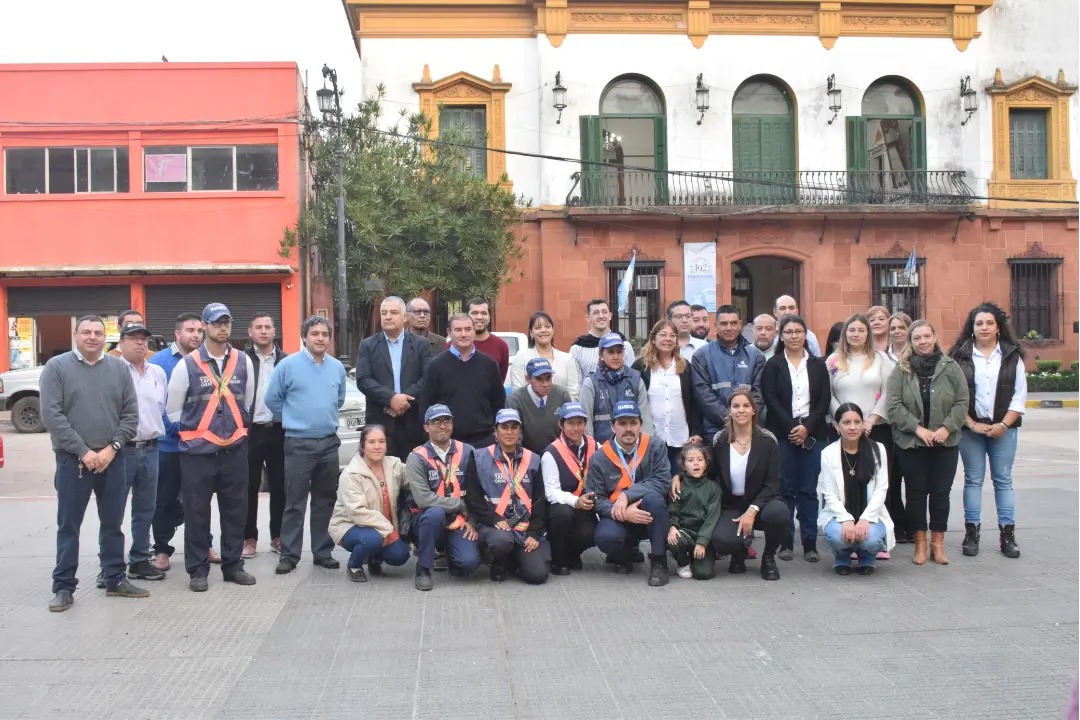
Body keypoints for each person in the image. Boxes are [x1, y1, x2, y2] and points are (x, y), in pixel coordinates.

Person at [41, 315, 143, 611]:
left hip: (114, 458)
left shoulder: (119, 368)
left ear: (105, 336)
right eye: (86, 332)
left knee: (113, 524)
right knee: (68, 525)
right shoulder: (56, 368)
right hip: (73, 462)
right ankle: (63, 587)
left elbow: (130, 415)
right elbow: (52, 415)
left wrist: (112, 448)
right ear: (76, 335)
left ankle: (114, 578)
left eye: (98, 332)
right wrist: (84, 452)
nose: (92, 337)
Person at [165, 302, 257, 592]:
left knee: (235, 511)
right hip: (198, 456)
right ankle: (197, 570)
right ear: (204, 326)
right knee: (196, 512)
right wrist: (199, 435)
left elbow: (249, 403)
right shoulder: (187, 364)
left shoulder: (243, 361)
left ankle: (233, 566)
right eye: (217, 322)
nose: (223, 328)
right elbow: (172, 411)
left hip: (234, 452)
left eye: (227, 322)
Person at [266, 315, 347, 575]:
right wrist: (294, 418)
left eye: (325, 334)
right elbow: (272, 400)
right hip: (298, 443)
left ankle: (322, 551)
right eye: (315, 334)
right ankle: (289, 555)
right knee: (295, 501)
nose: (320, 338)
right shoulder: (288, 365)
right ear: (304, 337)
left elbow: (339, 399)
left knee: (325, 500)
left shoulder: (336, 367)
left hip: (328, 444)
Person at [887, 319, 969, 566]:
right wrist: (917, 429)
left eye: (926, 336)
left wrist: (946, 428)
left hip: (946, 443)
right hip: (912, 443)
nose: (922, 342)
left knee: (941, 493)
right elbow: (893, 406)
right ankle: (920, 543)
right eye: (917, 338)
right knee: (915, 494)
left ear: (934, 337)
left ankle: (938, 543)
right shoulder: (901, 370)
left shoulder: (951, 367)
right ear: (910, 342)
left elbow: (962, 402)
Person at [948, 302, 1026, 559]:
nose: (984, 327)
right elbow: (955, 396)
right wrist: (970, 423)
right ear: (972, 327)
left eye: (989, 323)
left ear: (998, 327)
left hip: (1004, 428)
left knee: (1003, 480)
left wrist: (1003, 425)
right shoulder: (960, 356)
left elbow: (1019, 396)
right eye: (979, 323)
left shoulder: (1012, 356)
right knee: (973, 479)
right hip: (971, 429)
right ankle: (972, 533)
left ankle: (1008, 534)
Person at [762, 314, 831, 563]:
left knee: (809, 491)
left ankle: (810, 543)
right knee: (785, 490)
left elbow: (823, 401)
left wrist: (807, 427)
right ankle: (785, 543)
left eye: (798, 331)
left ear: (805, 335)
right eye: (789, 332)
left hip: (812, 435)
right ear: (781, 336)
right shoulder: (773, 365)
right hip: (782, 435)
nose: (794, 336)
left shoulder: (818, 365)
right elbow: (770, 399)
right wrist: (793, 427)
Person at [826, 314, 893, 558]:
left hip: (875, 428)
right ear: (845, 334)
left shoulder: (880, 359)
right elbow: (829, 394)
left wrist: (871, 419)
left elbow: (888, 390)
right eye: (851, 330)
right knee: (846, 482)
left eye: (860, 330)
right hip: (845, 429)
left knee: (877, 483)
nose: (856, 334)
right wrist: (844, 420)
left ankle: (877, 539)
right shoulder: (834, 360)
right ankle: (848, 536)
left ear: (868, 333)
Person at [704, 389, 789, 580]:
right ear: (729, 411)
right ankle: (738, 551)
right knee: (722, 541)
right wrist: (679, 478)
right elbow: (708, 473)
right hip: (731, 505)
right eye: (736, 406)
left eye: (745, 405)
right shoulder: (720, 440)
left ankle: (768, 557)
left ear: (753, 410)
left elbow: (773, 483)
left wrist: (752, 510)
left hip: (762, 504)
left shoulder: (768, 440)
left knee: (780, 514)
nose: (741, 410)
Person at [587, 400, 672, 586]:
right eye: (622, 423)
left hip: (650, 514)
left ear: (640, 425)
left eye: (633, 423)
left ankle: (659, 561)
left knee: (655, 499)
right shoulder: (600, 457)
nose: (628, 429)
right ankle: (622, 554)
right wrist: (624, 513)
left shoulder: (655, 447)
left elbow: (663, 481)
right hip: (618, 516)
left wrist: (627, 495)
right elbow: (596, 499)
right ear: (612, 426)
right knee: (605, 537)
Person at [149, 312, 207, 570]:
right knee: (165, 499)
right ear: (177, 334)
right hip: (170, 445)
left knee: (199, 499)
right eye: (190, 330)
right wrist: (175, 427)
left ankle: (204, 544)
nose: (195, 335)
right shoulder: (160, 362)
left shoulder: (207, 359)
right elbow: (155, 403)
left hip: (200, 445)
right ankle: (162, 549)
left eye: (198, 330)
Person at [465, 409, 549, 584]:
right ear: (495, 431)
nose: (509, 432)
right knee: (501, 541)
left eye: (514, 427)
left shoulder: (533, 459)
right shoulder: (479, 457)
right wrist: (492, 518)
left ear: (520, 431)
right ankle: (496, 560)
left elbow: (540, 499)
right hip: (494, 526)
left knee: (538, 576)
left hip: (523, 528)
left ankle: (512, 561)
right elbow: (473, 497)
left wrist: (534, 532)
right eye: (504, 427)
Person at [406, 404, 482, 591]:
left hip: (460, 521)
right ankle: (423, 569)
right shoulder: (417, 458)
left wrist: (471, 519)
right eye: (436, 421)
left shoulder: (468, 451)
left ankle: (450, 554)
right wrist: (458, 504)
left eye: (447, 421)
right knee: (434, 514)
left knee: (469, 563)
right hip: (428, 519)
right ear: (426, 427)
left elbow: (478, 491)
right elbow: (423, 499)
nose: (442, 426)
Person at [115, 322, 168, 582]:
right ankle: (110, 567)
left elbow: (163, 407)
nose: (140, 343)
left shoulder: (157, 372)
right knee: (113, 510)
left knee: (146, 509)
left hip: (151, 448)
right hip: (121, 451)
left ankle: (139, 561)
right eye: (133, 338)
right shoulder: (112, 370)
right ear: (121, 342)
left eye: (143, 339)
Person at [819, 403, 895, 575]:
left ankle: (867, 556)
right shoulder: (828, 453)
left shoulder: (878, 449)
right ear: (837, 426)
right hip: (840, 515)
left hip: (869, 515)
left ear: (863, 424)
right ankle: (842, 556)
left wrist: (865, 519)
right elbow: (829, 494)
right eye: (846, 423)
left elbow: (881, 489)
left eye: (857, 422)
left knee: (872, 539)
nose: (852, 427)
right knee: (838, 536)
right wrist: (845, 519)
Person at [329, 425, 411, 582]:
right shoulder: (351, 474)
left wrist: (419, 458)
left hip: (381, 527)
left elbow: (413, 479)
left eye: (382, 441)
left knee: (400, 556)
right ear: (362, 445)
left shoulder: (394, 465)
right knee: (372, 539)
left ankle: (374, 558)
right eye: (371, 442)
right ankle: (354, 565)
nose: (377, 446)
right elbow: (357, 512)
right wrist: (389, 530)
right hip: (349, 525)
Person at [356, 296, 432, 461]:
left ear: (405, 317)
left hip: (413, 423)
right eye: (384, 313)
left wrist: (403, 401)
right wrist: (391, 399)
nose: (388, 316)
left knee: (412, 478)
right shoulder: (367, 345)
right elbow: (363, 379)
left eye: (393, 312)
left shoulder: (421, 345)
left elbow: (428, 378)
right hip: (380, 423)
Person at [419, 313, 505, 447]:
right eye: (458, 330)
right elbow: (426, 404)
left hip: (485, 441)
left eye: (468, 329)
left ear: (474, 331)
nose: (464, 334)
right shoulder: (435, 366)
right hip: (448, 442)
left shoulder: (489, 364)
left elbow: (498, 402)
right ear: (449, 332)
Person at [632, 320, 702, 476]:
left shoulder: (685, 366)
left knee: (679, 482)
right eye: (663, 335)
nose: (668, 339)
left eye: (672, 335)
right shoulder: (640, 367)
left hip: (681, 436)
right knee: (657, 481)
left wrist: (696, 431)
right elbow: (635, 402)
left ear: (677, 340)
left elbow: (695, 402)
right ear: (653, 339)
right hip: (652, 437)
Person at [243, 312, 287, 558]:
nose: (263, 331)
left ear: (274, 331)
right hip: (250, 431)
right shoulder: (241, 360)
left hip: (279, 430)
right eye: (258, 327)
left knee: (280, 486)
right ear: (250, 332)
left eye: (268, 327)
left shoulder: (286, 361)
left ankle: (278, 536)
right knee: (247, 486)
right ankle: (248, 538)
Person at [691, 305, 765, 439]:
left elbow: (759, 394)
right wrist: (730, 419)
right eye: (724, 324)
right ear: (715, 325)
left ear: (740, 324)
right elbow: (703, 395)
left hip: (748, 431)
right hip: (714, 431)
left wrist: (743, 418)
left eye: (733, 323)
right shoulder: (702, 356)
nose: (729, 328)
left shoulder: (756, 356)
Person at [541, 401, 598, 575]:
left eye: (580, 423)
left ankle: (573, 553)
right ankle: (558, 560)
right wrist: (575, 501)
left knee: (592, 532)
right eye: (571, 423)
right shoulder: (551, 453)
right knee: (562, 515)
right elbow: (551, 493)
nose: (576, 428)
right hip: (562, 506)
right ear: (561, 424)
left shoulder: (596, 446)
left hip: (587, 505)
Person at [579, 332, 652, 444]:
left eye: (619, 352)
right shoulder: (591, 383)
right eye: (611, 352)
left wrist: (645, 449)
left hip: (632, 448)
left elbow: (645, 419)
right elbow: (586, 421)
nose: (616, 356)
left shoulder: (636, 379)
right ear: (601, 355)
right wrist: (591, 450)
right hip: (602, 449)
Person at [666, 440, 721, 580]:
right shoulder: (679, 486)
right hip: (685, 532)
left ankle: (701, 558)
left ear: (706, 464)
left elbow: (712, 518)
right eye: (690, 460)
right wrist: (673, 526)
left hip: (703, 535)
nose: (696, 463)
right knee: (673, 540)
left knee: (703, 574)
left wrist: (702, 542)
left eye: (700, 460)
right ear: (684, 466)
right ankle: (682, 562)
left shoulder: (713, 489)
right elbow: (673, 509)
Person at [509, 311, 580, 400]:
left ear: (553, 331)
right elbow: (517, 392)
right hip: (530, 412)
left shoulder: (567, 359)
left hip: (562, 411)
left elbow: (573, 393)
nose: (543, 330)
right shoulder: (521, 358)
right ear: (531, 333)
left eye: (547, 327)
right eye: (538, 327)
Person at [507, 357, 571, 453]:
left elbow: (569, 430)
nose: (545, 384)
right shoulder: (515, 400)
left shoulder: (561, 395)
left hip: (558, 454)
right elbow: (513, 436)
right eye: (539, 379)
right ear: (528, 379)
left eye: (548, 378)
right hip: (527, 457)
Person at [569, 299, 636, 380]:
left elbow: (632, 377)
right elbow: (575, 383)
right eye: (596, 312)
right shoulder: (577, 348)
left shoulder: (624, 345)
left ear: (610, 316)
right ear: (588, 318)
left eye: (604, 312)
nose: (601, 316)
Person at [466, 297, 510, 380]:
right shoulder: (453, 346)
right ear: (467, 316)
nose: (479, 317)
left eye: (484, 313)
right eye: (474, 313)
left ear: (489, 317)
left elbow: (500, 381)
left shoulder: (501, 346)